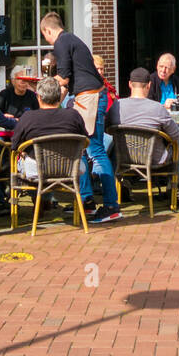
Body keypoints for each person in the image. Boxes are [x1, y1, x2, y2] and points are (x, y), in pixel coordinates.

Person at [40, 12, 121, 222]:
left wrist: (41, 86)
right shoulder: (71, 39)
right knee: (82, 149)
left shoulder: (60, 42)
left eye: (45, 36)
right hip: (90, 95)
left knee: (95, 150)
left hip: (90, 96)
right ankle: (87, 202)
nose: (46, 41)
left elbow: (64, 76)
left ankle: (111, 205)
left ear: (48, 30)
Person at [10, 77, 106, 221]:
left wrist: (23, 151)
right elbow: (84, 141)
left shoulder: (28, 117)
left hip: (37, 171)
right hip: (69, 169)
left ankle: (18, 217)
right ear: (58, 96)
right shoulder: (73, 115)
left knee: (18, 161)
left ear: (39, 97)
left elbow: (14, 145)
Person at [106, 68, 179, 165]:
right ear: (149, 85)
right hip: (154, 160)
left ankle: (121, 178)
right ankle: (175, 179)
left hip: (124, 158)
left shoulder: (116, 106)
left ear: (129, 84)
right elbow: (176, 134)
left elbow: (106, 129)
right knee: (177, 143)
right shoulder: (158, 108)